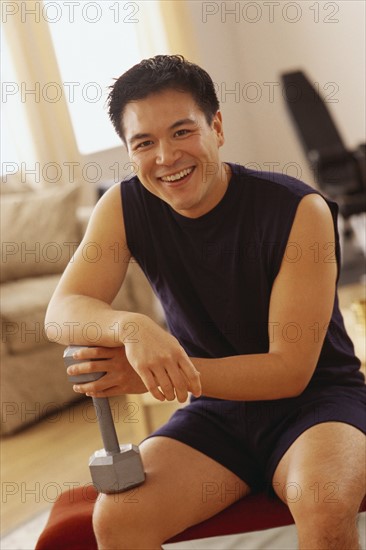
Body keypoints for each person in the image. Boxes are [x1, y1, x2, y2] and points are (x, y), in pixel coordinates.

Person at [46, 55, 365, 549]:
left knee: (322, 498)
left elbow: (290, 370)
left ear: (216, 127)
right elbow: (63, 309)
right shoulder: (125, 206)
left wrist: (157, 374)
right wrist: (132, 328)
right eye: (144, 143)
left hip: (318, 403)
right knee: (117, 519)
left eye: (181, 132)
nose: (166, 157)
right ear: (129, 153)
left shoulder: (300, 211)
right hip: (217, 412)